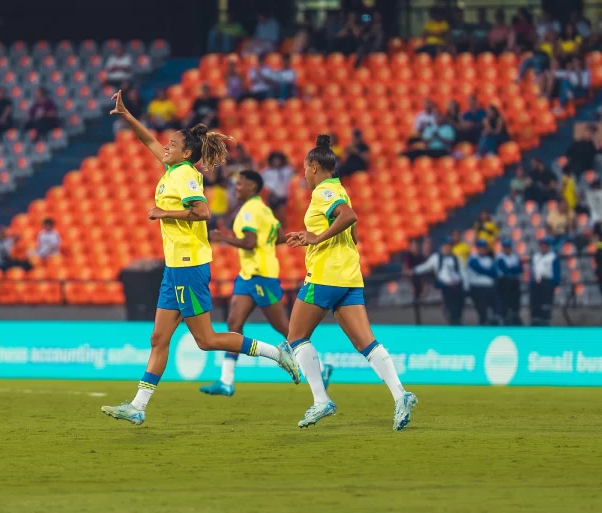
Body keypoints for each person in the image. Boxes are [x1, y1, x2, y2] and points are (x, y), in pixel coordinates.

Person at [101, 90, 299, 426]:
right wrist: (127, 115)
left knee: (206, 340)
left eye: (173, 144)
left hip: (189, 265)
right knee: (158, 338)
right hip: (174, 267)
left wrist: (165, 213)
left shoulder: (186, 176)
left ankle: (277, 353)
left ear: (187, 152)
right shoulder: (171, 168)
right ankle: (138, 406)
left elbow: (203, 211)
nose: (165, 146)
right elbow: (147, 139)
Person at [285, 134, 416, 429]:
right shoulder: (340, 189)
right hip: (349, 275)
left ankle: (321, 400)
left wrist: (316, 238)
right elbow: (352, 232)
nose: (304, 174)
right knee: (366, 343)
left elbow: (348, 215)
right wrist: (315, 237)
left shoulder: (324, 193)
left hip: (325, 274)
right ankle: (400, 395)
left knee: (296, 337)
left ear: (315, 167)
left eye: (305, 168)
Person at [201, 170, 334, 396]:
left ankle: (321, 369)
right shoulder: (264, 210)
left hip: (262, 275)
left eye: (240, 184)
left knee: (286, 328)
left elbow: (250, 242)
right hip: (248, 275)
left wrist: (224, 238)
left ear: (253, 187)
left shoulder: (251, 210)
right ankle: (226, 381)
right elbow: (280, 235)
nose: (236, 187)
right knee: (234, 322)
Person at [409, 236, 467, 325]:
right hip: (446, 287)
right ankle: (453, 325)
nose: (448, 247)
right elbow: (425, 267)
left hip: (457, 287)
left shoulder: (456, 258)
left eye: (450, 245)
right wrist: (414, 270)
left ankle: (457, 325)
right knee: (450, 311)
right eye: (446, 245)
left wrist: (466, 287)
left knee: (458, 310)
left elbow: (463, 273)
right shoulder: (436, 258)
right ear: (443, 246)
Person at [467, 239, 500, 325]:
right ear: (477, 248)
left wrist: (488, 272)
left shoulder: (489, 259)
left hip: (489, 287)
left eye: (484, 248)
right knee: (482, 310)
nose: (482, 250)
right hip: (477, 287)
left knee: (495, 308)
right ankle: (483, 325)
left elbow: (495, 272)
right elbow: (479, 269)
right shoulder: (473, 258)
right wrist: (488, 272)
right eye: (480, 248)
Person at [530, 237, 560, 325]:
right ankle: (535, 322)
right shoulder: (536, 256)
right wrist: (531, 281)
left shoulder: (552, 257)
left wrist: (554, 283)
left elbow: (556, 271)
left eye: (545, 246)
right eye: (542, 246)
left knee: (545, 305)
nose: (543, 247)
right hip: (536, 282)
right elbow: (533, 270)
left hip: (547, 282)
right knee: (535, 304)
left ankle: (545, 322)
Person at [260, 152, 294, 226]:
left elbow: (296, 173)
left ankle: (283, 233)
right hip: (271, 196)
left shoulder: (287, 170)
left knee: (282, 217)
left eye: (278, 160)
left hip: (282, 196)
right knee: (272, 216)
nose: (276, 162)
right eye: (274, 160)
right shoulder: (266, 171)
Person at [496, 239, 523, 325]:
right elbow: (505, 270)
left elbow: (520, 269)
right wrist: (513, 269)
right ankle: (505, 319)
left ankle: (514, 318)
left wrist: (512, 269)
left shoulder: (514, 257)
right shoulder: (500, 257)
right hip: (504, 282)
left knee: (515, 303)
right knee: (504, 302)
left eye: (508, 247)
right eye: (505, 247)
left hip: (514, 282)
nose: (507, 249)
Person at [402, 239, 427, 305]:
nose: (415, 248)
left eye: (416, 246)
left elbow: (424, 269)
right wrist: (410, 272)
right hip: (410, 281)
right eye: (413, 246)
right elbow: (405, 270)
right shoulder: (408, 256)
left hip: (420, 280)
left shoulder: (421, 257)